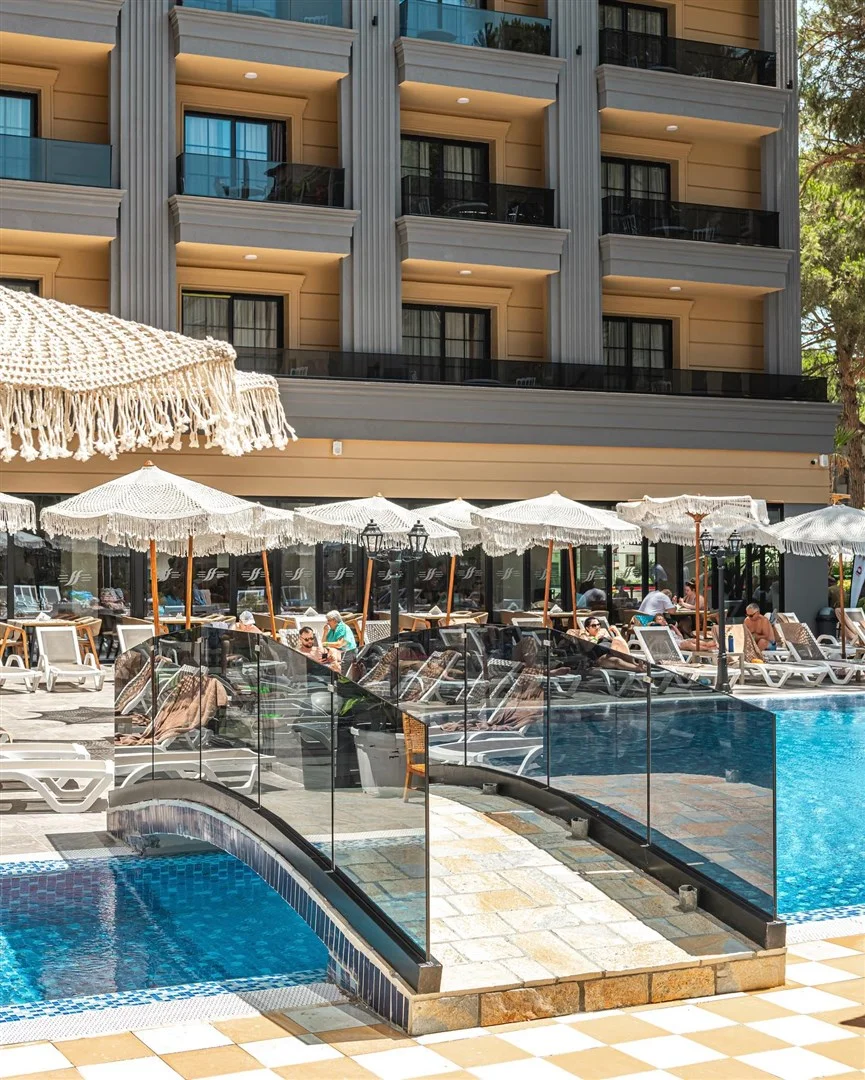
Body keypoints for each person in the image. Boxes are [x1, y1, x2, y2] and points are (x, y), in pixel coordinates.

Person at [323, 609, 357, 674]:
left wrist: (325, 644)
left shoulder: (342, 627)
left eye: (329, 620)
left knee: (332, 651)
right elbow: (323, 644)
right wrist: (325, 632)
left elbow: (339, 644)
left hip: (348, 654)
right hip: (338, 654)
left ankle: (336, 670)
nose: (327, 623)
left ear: (334, 620)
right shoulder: (332, 630)